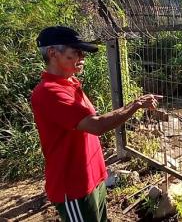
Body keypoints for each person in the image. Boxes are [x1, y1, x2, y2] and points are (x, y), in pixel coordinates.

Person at [31, 26, 161, 222]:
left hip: (93, 178)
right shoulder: (50, 92)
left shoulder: (70, 83)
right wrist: (136, 104)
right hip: (74, 187)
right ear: (52, 53)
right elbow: (96, 125)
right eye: (75, 51)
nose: (82, 56)